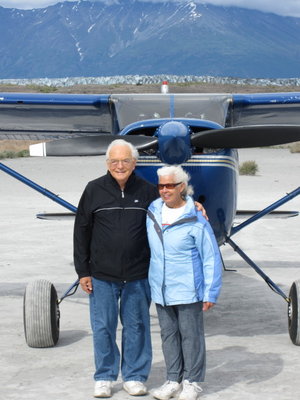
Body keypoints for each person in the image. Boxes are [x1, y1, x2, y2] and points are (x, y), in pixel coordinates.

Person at [73, 139, 207, 398]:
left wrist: (194, 204)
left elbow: (172, 203)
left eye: (125, 160)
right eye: (114, 161)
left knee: (136, 327)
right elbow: (81, 231)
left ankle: (134, 376)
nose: (120, 165)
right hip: (102, 275)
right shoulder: (93, 190)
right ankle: (104, 376)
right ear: (107, 163)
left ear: (134, 163)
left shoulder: (147, 191)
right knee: (103, 327)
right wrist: (83, 271)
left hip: (138, 274)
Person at [146, 165, 222, 400]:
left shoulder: (196, 218)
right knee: (168, 336)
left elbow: (210, 257)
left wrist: (210, 292)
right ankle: (173, 379)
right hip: (161, 289)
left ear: (181, 187)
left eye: (170, 185)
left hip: (188, 289)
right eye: (161, 186)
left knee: (191, 336)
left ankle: (192, 381)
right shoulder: (152, 211)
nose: (164, 190)